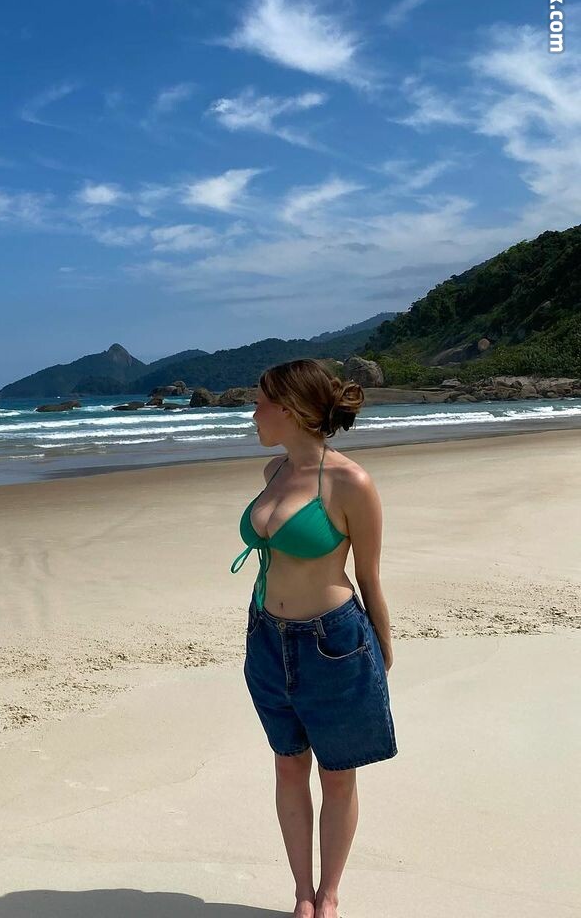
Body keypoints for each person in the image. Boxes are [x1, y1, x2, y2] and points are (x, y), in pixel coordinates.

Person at [230, 358, 397, 918]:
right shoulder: (273, 471)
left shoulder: (350, 482)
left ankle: (329, 896)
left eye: (260, 402)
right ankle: (302, 893)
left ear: (291, 409)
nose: (253, 413)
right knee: (287, 765)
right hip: (266, 639)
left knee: (337, 773)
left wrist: (381, 652)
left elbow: (369, 575)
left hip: (334, 643)